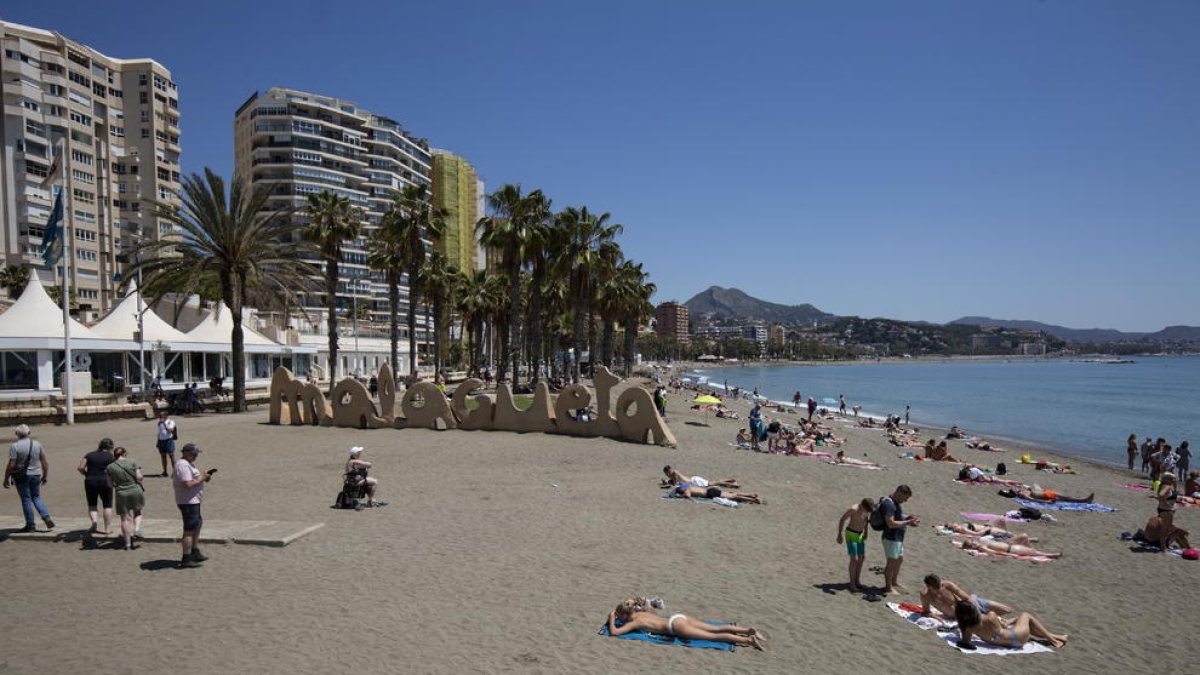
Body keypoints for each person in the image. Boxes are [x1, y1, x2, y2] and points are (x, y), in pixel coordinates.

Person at [607, 597, 765, 651]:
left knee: (713, 637)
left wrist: (611, 619)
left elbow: (614, 632)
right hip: (678, 617)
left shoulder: (634, 622)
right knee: (716, 627)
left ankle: (748, 640)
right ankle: (748, 630)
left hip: (675, 627)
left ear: (625, 615)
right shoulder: (642, 613)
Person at [953, 600, 1068, 650]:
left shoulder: (968, 628)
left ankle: (1058, 637)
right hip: (1017, 638)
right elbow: (1004, 627)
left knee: (1019, 621)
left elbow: (966, 642)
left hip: (1007, 644)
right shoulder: (991, 616)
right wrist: (1004, 622)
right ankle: (1054, 640)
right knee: (1026, 615)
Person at [3, 424, 54, 532]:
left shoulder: (15, 446)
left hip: (21, 476)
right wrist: (45, 475)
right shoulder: (37, 444)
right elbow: (44, 462)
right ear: (29, 433)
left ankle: (30, 524)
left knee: (26, 499)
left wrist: (6, 478)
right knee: (36, 497)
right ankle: (46, 516)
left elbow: (11, 464)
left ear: (16, 434)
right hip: (36, 474)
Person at [173, 443, 213, 568]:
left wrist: (203, 477)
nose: (195, 456)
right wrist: (202, 478)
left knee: (197, 524)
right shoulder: (183, 465)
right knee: (189, 530)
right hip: (188, 501)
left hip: (192, 500)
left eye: (196, 454)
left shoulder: (187, 464)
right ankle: (186, 557)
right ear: (185, 453)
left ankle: (194, 551)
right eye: (193, 454)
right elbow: (188, 484)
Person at [879, 485, 918, 595]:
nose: (905, 501)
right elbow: (890, 523)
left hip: (897, 538)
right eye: (905, 498)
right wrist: (907, 522)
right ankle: (888, 587)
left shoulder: (895, 503)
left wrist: (906, 518)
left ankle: (894, 582)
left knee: (899, 560)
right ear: (899, 493)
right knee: (891, 563)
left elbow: (897, 516)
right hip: (891, 537)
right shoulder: (888, 504)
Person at [920, 574, 1013, 619]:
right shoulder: (925, 595)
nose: (939, 588)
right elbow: (926, 612)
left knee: (1007, 610)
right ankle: (991, 617)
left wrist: (973, 610)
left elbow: (965, 597)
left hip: (972, 604)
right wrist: (938, 618)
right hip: (963, 616)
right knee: (992, 620)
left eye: (940, 585)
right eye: (936, 588)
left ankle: (989, 616)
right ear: (928, 586)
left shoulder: (947, 585)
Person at [105, 447, 145, 550]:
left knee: (125, 519)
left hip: (121, 492)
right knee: (138, 512)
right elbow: (139, 477)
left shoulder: (110, 467)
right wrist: (140, 471)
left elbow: (109, 484)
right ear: (124, 454)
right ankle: (136, 529)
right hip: (135, 489)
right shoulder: (132, 462)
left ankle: (127, 543)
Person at [77, 437, 116, 535]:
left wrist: (87, 474)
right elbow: (115, 470)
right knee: (107, 505)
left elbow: (80, 467)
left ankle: (94, 523)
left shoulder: (90, 455)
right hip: (105, 481)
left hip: (91, 481)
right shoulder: (110, 456)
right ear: (110, 447)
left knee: (92, 504)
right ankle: (107, 528)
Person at [836, 498, 874, 592]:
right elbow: (842, 519)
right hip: (851, 534)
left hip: (859, 535)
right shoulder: (853, 509)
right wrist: (839, 534)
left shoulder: (866, 510)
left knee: (861, 558)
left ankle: (857, 581)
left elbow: (865, 520)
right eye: (867, 510)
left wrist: (866, 532)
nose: (867, 512)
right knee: (854, 559)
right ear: (862, 505)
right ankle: (852, 584)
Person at [960, 538, 1062, 558]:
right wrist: (1011, 555)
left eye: (973, 541)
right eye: (972, 544)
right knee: (1033, 552)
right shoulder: (982, 548)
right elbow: (994, 552)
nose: (974, 542)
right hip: (1012, 549)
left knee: (1024, 536)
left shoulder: (982, 542)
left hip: (1010, 545)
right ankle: (1050, 555)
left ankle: (1030, 542)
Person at [662, 465, 738, 489]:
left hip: (694, 481)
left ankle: (734, 484)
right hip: (694, 480)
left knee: (714, 483)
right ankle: (731, 480)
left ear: (669, 471)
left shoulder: (674, 473)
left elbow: (675, 484)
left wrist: (668, 483)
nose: (667, 475)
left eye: (667, 473)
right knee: (714, 482)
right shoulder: (674, 473)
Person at [156, 410, 177, 477]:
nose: (160, 417)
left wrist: (164, 424)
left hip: (169, 440)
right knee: (163, 456)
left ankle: (175, 472)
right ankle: (165, 471)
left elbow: (170, 431)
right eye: (159, 416)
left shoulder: (171, 422)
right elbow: (160, 433)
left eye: (161, 416)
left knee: (171, 456)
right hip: (161, 441)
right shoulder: (159, 423)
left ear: (166, 416)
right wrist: (157, 441)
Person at [1012, 486, 1094, 504]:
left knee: (1067, 497)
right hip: (1048, 496)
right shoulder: (1024, 495)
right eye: (1016, 490)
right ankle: (1085, 500)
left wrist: (1030, 489)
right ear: (1017, 493)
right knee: (1067, 497)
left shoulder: (1025, 491)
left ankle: (1082, 500)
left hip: (1048, 492)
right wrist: (1047, 502)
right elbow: (1033, 500)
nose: (1017, 489)